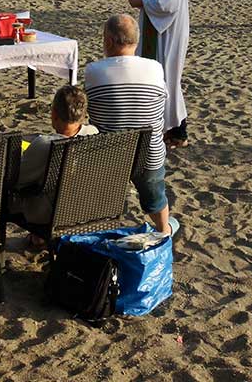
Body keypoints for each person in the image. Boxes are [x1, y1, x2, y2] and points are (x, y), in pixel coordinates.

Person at [84, 14, 172, 235]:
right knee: (156, 197)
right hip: (149, 153)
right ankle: (164, 230)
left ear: (109, 41)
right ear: (136, 41)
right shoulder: (155, 68)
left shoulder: (95, 71)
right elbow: (162, 101)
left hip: (110, 155)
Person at [128, 0, 190, 148]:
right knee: (162, 81)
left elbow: (168, 4)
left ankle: (179, 133)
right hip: (159, 31)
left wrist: (141, 2)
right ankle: (171, 131)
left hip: (168, 34)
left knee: (169, 81)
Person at [10, 86, 99, 241]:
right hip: (87, 207)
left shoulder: (45, 144)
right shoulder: (93, 133)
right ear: (83, 114)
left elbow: (18, 180)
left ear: (54, 114)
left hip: (52, 214)